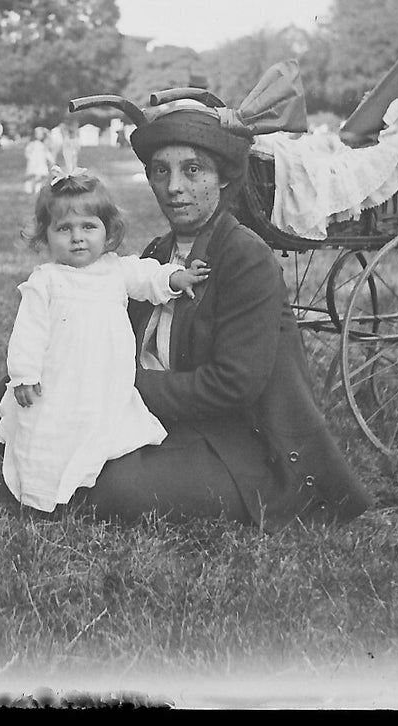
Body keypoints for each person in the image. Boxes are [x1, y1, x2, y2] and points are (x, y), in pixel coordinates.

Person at [84, 72, 373, 528]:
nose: (174, 186)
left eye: (192, 170)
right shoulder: (157, 255)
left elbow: (232, 385)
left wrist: (123, 389)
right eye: (162, 171)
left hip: (240, 441)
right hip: (166, 416)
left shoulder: (245, 257)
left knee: (112, 487)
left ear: (222, 179)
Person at [0, 166, 210, 513]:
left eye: (88, 227)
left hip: (104, 379)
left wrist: (176, 277)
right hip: (59, 379)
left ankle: (89, 481)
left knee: (99, 429)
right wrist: (24, 374)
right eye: (64, 229)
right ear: (46, 236)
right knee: (50, 430)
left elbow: (149, 278)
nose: (77, 237)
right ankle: (41, 492)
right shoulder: (47, 280)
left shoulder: (115, 268)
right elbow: (29, 333)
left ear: (107, 231)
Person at [23, 127, 52, 194]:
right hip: (34, 163)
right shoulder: (32, 144)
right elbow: (27, 152)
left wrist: (50, 160)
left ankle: (37, 189)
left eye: (41, 134)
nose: (40, 136)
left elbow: (46, 153)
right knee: (33, 176)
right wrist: (30, 158)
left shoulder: (43, 145)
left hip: (41, 163)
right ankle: (28, 188)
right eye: (38, 134)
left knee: (40, 176)